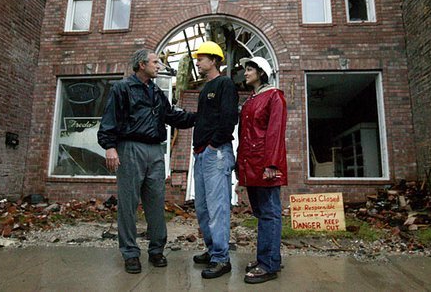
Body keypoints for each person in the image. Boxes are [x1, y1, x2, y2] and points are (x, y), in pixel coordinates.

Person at [97, 49, 195, 274]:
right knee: (128, 204)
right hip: (129, 148)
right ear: (142, 65)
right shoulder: (122, 88)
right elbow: (109, 119)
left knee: (156, 202)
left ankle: (156, 250)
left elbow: (172, 116)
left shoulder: (157, 93)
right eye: (155, 62)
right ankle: (130, 253)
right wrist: (110, 147)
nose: (159, 65)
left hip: (155, 151)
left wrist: (200, 118)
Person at [236, 56, 288, 284]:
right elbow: (243, 138)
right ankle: (266, 258)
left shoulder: (274, 96)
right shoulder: (249, 101)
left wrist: (271, 165)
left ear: (261, 72)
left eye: (249, 69)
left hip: (266, 166)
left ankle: (269, 265)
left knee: (270, 214)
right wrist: (241, 170)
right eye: (245, 69)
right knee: (262, 214)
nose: (245, 73)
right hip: (251, 166)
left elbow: (275, 132)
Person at [191, 41, 239, 279]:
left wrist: (211, 145)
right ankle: (212, 251)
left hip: (216, 153)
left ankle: (221, 259)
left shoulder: (225, 84)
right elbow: (202, 119)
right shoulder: (205, 88)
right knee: (202, 208)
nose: (198, 62)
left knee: (218, 207)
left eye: (201, 58)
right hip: (202, 153)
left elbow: (230, 118)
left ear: (213, 60)